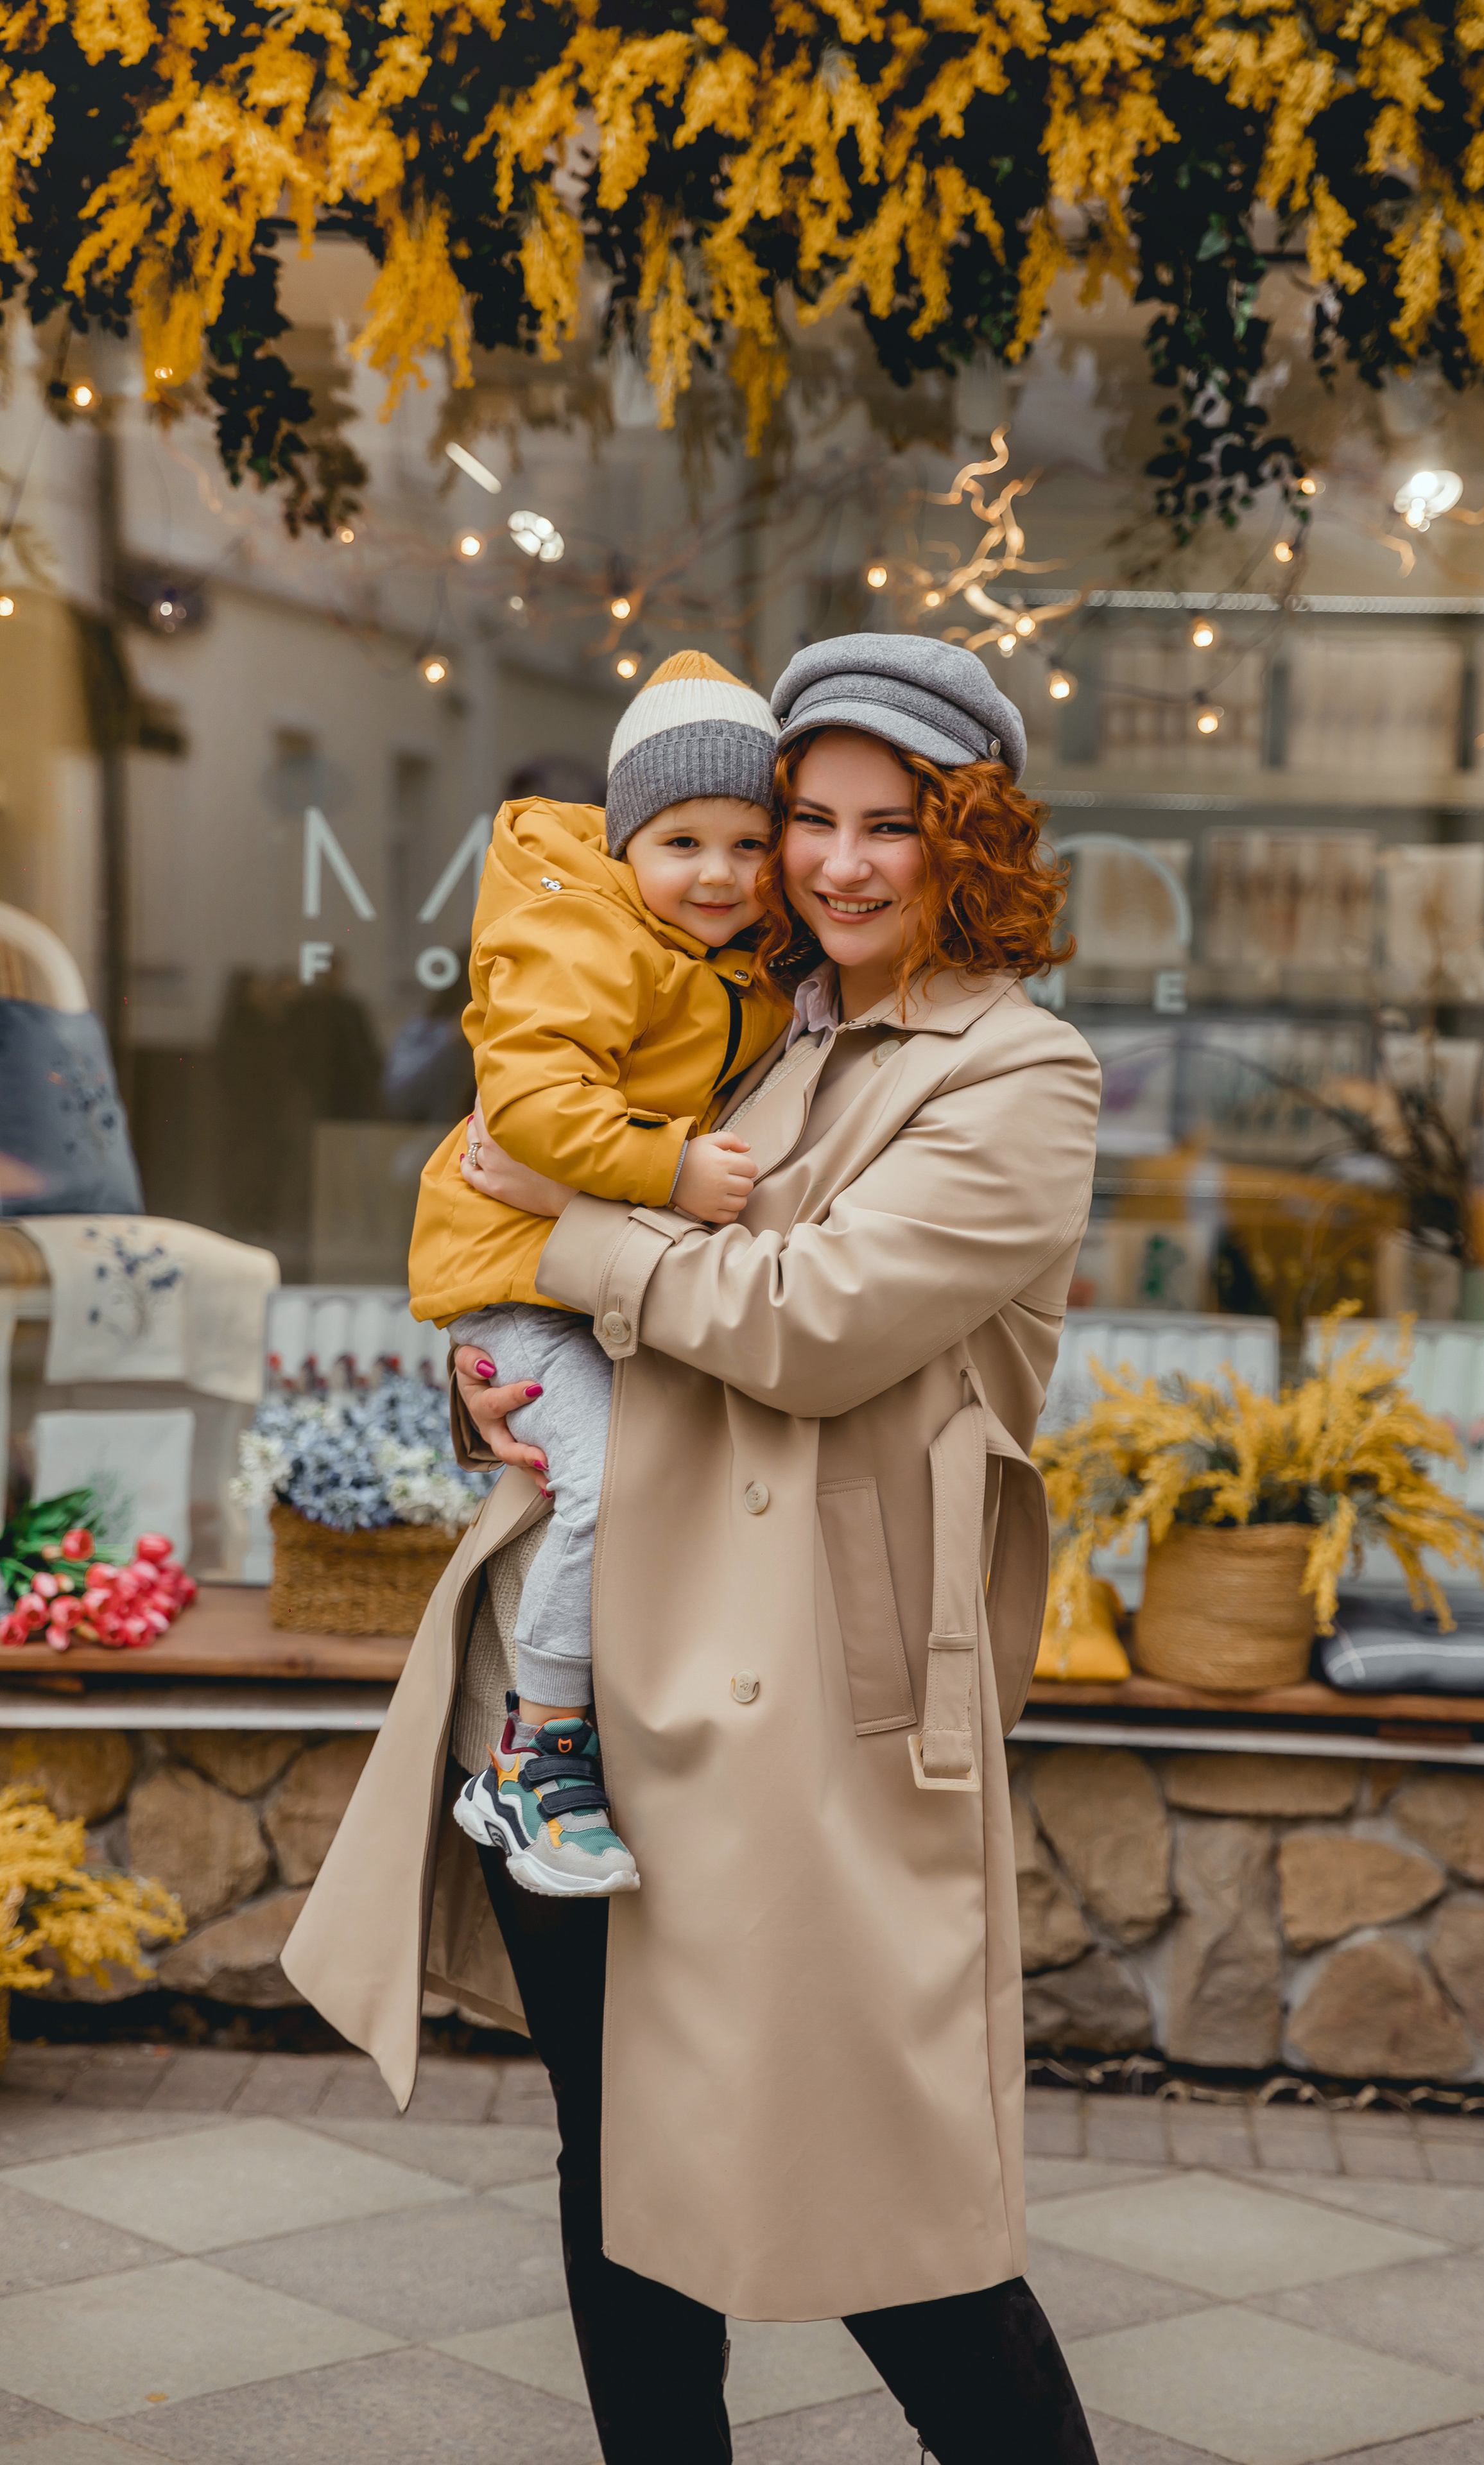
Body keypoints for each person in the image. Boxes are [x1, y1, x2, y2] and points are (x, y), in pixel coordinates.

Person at [284, 631, 1103, 2464]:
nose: (830, 863)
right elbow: (577, 1280)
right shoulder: (731, 1019)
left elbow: (809, 1326)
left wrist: (553, 1235)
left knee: (908, 2231)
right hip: (583, 1706)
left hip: (817, 1725)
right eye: (804, 816)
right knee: (624, 2178)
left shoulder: (1018, 1077)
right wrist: (480, 1364)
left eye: (889, 825)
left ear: (965, 839)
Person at [406, 648, 790, 1895]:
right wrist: (669, 1170)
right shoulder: (586, 935)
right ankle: (538, 1752)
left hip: (561, 1284)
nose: (720, 873)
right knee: (610, 1479)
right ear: (627, 843)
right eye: (683, 842)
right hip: (522, 1289)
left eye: (749, 842)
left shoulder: (734, 965)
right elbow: (524, 1109)